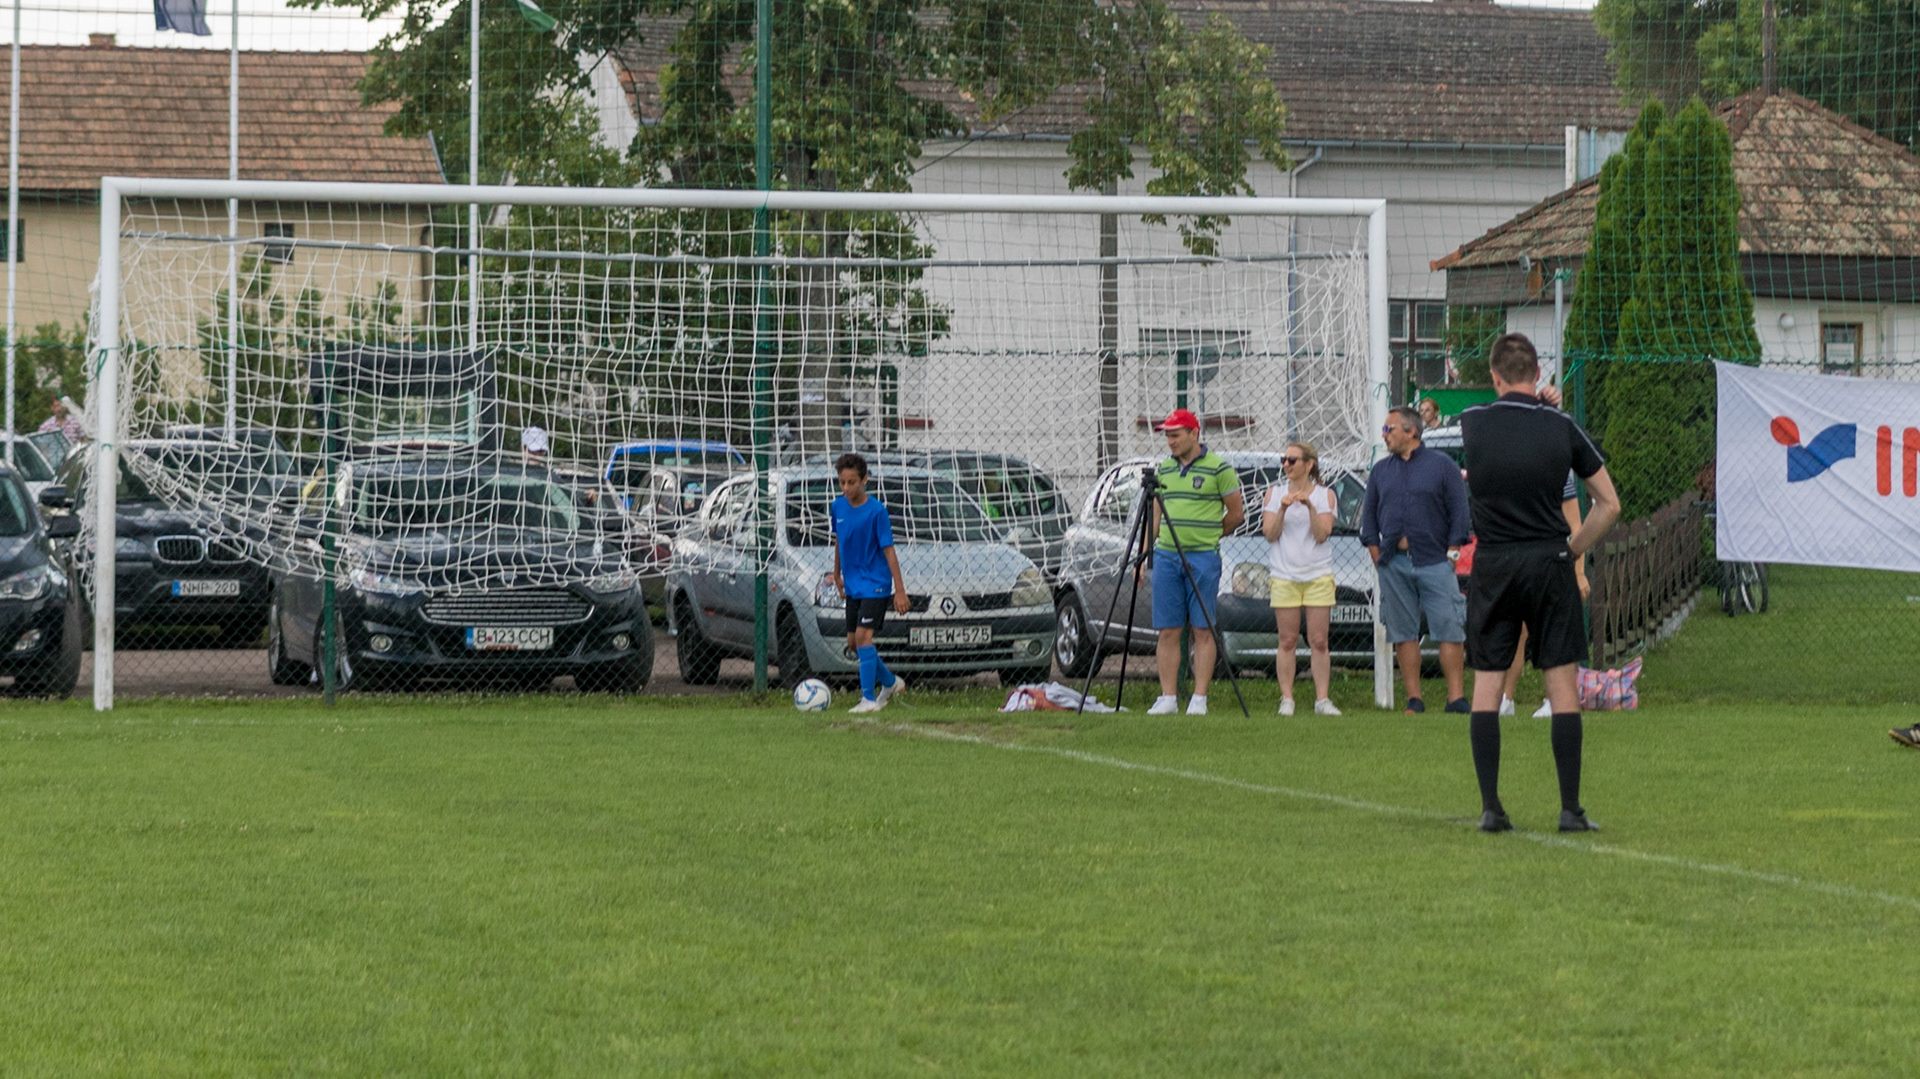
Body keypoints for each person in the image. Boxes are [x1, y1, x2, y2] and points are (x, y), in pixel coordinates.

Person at [1459, 333, 1620, 834]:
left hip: (1495, 563)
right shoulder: (1561, 426)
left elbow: (1483, 418)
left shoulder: (1472, 424)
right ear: (1538, 374)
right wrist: (1573, 549)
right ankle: (1570, 808)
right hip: (1549, 561)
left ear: (1494, 375)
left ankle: (1491, 806)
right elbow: (1609, 505)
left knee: (1487, 682)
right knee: (1561, 683)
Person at [1359, 405, 1472, 713]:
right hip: (1394, 563)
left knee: (1449, 627)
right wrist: (1377, 554)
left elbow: (1460, 513)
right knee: (1403, 632)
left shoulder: (1442, 466)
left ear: (1411, 431)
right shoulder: (1381, 471)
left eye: (1389, 429)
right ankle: (1414, 699)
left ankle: (1456, 699)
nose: (1384, 435)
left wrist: (1451, 554)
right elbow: (1368, 520)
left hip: (1435, 561)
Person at [1141, 408, 1243, 716]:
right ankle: (1168, 697)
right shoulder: (1165, 470)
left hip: (1202, 559)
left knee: (1202, 627)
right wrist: (1143, 554)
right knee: (1168, 629)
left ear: (1194, 434)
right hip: (1167, 557)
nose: (1170, 441)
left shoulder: (1219, 468)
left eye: (1175, 435)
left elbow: (1235, 514)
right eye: (1167, 436)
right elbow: (1155, 519)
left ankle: (1199, 698)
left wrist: (1209, 536)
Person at [1499, 471, 1589, 719]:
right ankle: (1505, 700)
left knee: (1555, 632)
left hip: (1554, 563)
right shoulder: (1505, 473)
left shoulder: (1558, 474)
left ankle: (1556, 700)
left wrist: (1579, 573)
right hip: (1516, 562)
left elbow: (1576, 527)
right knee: (1515, 633)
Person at [827, 452, 910, 714]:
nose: (847, 488)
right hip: (853, 585)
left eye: (852, 482)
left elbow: (889, 552)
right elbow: (840, 540)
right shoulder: (838, 507)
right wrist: (837, 574)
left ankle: (868, 700)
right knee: (853, 643)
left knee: (864, 637)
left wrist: (900, 590)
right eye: (842, 482)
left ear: (864, 480)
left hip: (876, 584)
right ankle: (889, 682)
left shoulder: (877, 512)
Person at [1262, 440, 1340, 717]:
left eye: (1293, 460)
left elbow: (1321, 535)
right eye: (1284, 460)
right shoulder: (1274, 493)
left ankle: (1322, 699)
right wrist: (1282, 509)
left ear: (1309, 464)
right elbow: (1270, 534)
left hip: (1317, 574)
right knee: (1287, 640)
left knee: (1319, 640)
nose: (1287, 465)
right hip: (1285, 575)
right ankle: (1287, 698)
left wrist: (1309, 507)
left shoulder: (1325, 496)